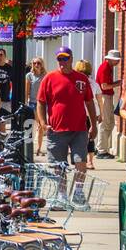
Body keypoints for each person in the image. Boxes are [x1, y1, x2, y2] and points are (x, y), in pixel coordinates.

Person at [37, 46, 96, 174]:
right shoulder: (49, 78)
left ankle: (78, 193)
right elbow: (41, 102)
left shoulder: (82, 78)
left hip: (79, 129)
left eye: (65, 58)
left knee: (81, 162)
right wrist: (43, 123)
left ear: (71, 59)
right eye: (59, 59)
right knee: (59, 167)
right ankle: (62, 194)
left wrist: (93, 125)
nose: (62, 62)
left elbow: (89, 102)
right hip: (56, 130)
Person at [74, 60, 103, 169]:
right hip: (93, 113)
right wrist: (101, 114)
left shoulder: (76, 82)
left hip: (80, 113)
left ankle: (82, 161)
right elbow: (100, 100)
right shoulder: (94, 83)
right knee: (91, 138)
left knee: (80, 138)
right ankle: (90, 161)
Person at [95, 49, 122, 159]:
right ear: (111, 59)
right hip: (105, 96)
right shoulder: (105, 68)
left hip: (107, 96)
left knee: (109, 123)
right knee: (105, 123)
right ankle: (101, 150)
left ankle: (101, 148)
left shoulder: (108, 67)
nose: (118, 62)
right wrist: (118, 83)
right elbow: (104, 86)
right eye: (117, 60)